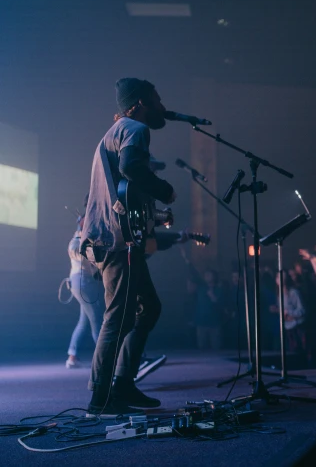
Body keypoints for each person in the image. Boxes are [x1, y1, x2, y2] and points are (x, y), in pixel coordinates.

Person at [80, 78, 176, 416]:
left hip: (116, 238)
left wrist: (154, 213)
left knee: (147, 308)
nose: (162, 106)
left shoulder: (116, 132)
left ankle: (123, 384)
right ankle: (100, 397)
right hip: (116, 243)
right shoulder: (135, 128)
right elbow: (131, 168)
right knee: (118, 319)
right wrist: (166, 191)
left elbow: (123, 189)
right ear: (137, 104)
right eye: (156, 99)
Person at [65, 214, 106, 369]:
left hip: (82, 283)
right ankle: (105, 361)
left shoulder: (81, 241)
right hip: (83, 283)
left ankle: (72, 356)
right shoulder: (76, 243)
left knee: (84, 321)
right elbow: (88, 257)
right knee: (98, 321)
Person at [194, 269, 224, 351]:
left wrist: (212, 296)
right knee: (202, 347)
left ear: (214, 277)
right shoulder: (201, 288)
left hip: (214, 323)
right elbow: (195, 274)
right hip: (201, 322)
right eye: (205, 274)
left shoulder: (219, 289)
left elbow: (220, 304)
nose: (206, 276)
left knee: (216, 347)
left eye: (209, 274)